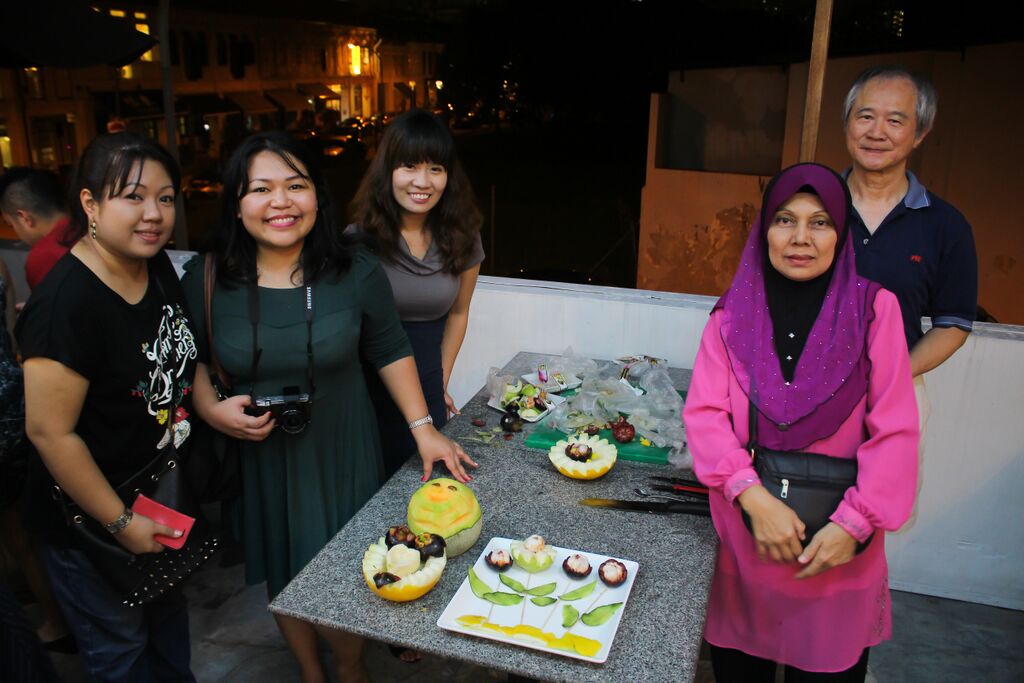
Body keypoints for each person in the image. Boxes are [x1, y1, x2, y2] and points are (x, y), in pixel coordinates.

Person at [180, 130, 476, 683]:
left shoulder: (354, 269)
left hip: (342, 445)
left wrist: (424, 427)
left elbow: (389, 348)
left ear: (318, 194)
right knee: (283, 567)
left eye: (296, 185)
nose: (281, 202)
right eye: (261, 189)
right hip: (260, 453)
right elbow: (190, 357)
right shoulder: (207, 277)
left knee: (346, 567)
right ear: (236, 203)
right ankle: (310, 670)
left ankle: (350, 666)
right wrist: (210, 409)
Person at [683, 163, 920, 681]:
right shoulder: (730, 318)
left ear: (841, 233)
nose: (800, 238)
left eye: (820, 222)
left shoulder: (875, 311)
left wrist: (853, 524)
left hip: (836, 553)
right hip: (750, 540)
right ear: (764, 229)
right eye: (785, 220)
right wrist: (751, 495)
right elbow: (705, 415)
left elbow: (895, 431)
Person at [14, 133, 199, 681]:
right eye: (133, 197)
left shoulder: (153, 264)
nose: (153, 214)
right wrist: (120, 522)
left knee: (169, 633)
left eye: (165, 198)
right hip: (93, 522)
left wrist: (212, 407)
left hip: (158, 496)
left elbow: (183, 350)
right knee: (122, 655)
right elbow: (50, 433)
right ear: (90, 203)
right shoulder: (65, 304)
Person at [349, 108, 484, 480]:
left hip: (427, 381)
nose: (422, 181)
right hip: (367, 388)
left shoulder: (463, 236)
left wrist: (439, 381)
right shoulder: (359, 240)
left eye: (435, 168)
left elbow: (458, 313)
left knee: (425, 487)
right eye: (409, 166)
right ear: (388, 171)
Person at [842, 65, 977, 433]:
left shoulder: (946, 226)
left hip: (895, 395)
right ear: (847, 123)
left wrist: (892, 376)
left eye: (895, 121)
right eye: (865, 116)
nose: (876, 132)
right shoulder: (811, 210)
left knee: (889, 474)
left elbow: (953, 324)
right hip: (803, 389)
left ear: (919, 134)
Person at [0, 168, 73, 290]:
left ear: (24, 218)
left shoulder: (43, 256)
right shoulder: (89, 226)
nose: (16, 232)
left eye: (11, 224)